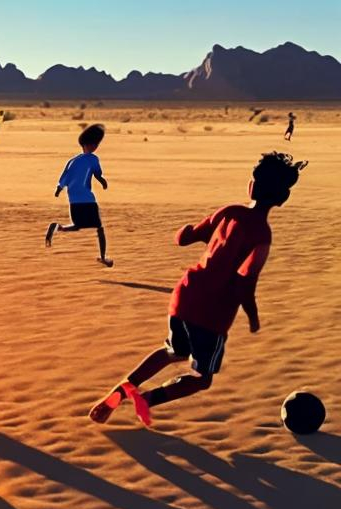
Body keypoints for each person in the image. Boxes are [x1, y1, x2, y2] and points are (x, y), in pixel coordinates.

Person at [89, 152, 308, 426]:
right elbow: (245, 282)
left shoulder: (229, 212)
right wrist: (252, 317)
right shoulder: (262, 235)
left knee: (172, 351)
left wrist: (186, 230)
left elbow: (185, 238)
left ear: (251, 186)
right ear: (282, 199)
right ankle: (147, 400)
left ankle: (122, 389)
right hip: (212, 313)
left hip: (185, 295)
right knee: (202, 379)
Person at [45, 124, 113, 267]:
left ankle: (58, 227)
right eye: (95, 144)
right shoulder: (93, 159)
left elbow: (65, 176)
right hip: (88, 199)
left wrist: (59, 188)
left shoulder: (73, 161)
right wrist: (102, 181)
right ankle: (102, 257)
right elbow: (97, 173)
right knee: (99, 227)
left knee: (77, 226)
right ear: (90, 144)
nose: (95, 146)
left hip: (74, 200)